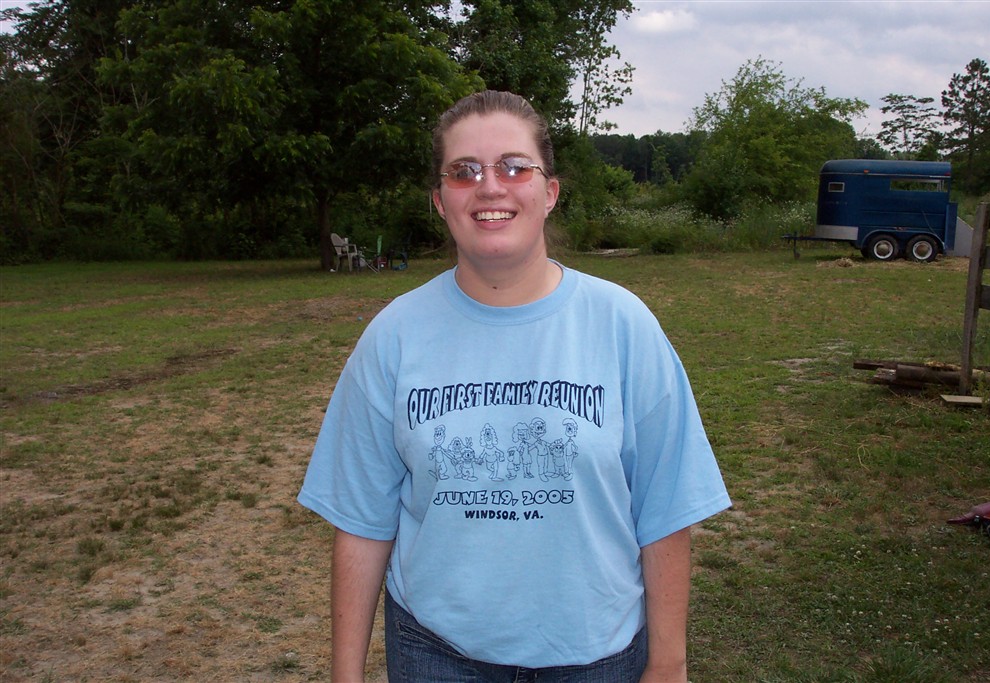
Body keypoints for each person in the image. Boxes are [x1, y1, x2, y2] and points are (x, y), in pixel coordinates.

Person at [298, 90, 731, 683]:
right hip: (435, 653)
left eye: (514, 167)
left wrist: (669, 662)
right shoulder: (393, 335)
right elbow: (361, 523)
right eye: (464, 171)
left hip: (598, 655)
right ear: (440, 200)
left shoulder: (623, 324)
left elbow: (666, 507)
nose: (489, 187)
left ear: (549, 192)